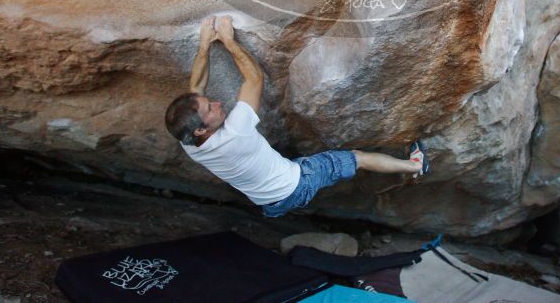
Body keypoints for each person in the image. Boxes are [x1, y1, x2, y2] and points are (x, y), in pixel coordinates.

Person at [164, 15, 430, 217]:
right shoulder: (236, 133)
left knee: (288, 166)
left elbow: (195, 88)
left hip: (269, 204)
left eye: (210, 102)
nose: (218, 103)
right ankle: (416, 166)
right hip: (299, 183)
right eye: (211, 109)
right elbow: (254, 78)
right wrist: (228, 40)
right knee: (355, 158)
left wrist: (203, 45)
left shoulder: (190, 144)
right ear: (201, 129)